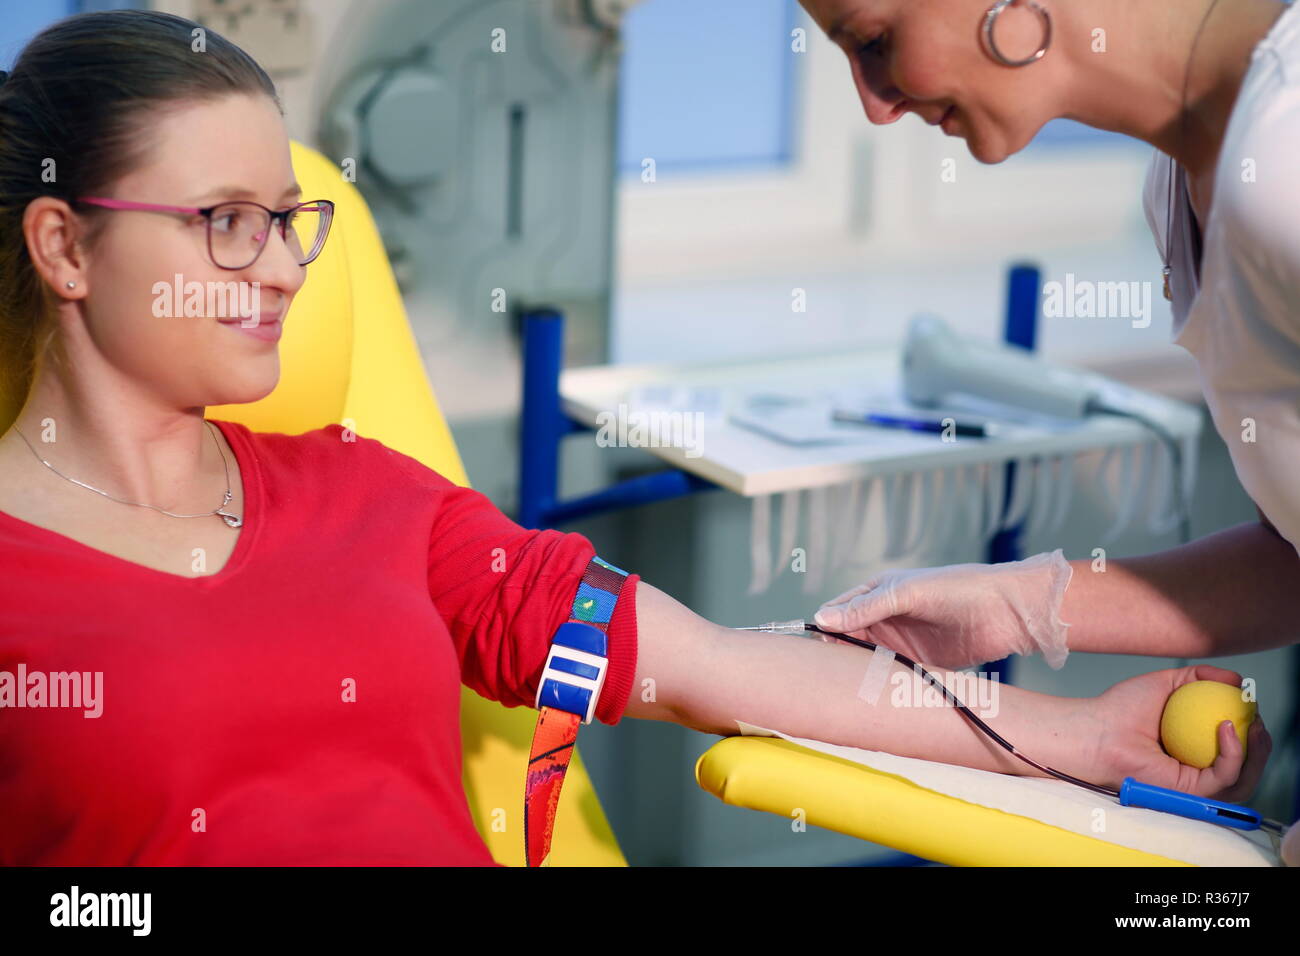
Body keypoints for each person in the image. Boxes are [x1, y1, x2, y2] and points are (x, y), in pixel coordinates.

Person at [0, 10, 1268, 866]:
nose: (281, 266)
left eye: (289, 219)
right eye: (225, 219)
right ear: (66, 244)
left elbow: (719, 664)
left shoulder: (369, 497)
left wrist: (1078, 732)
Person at [800, 0, 1299, 863]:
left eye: (875, 41)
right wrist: (1022, 603)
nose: (874, 104)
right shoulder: (1181, 184)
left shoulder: (1284, 165)